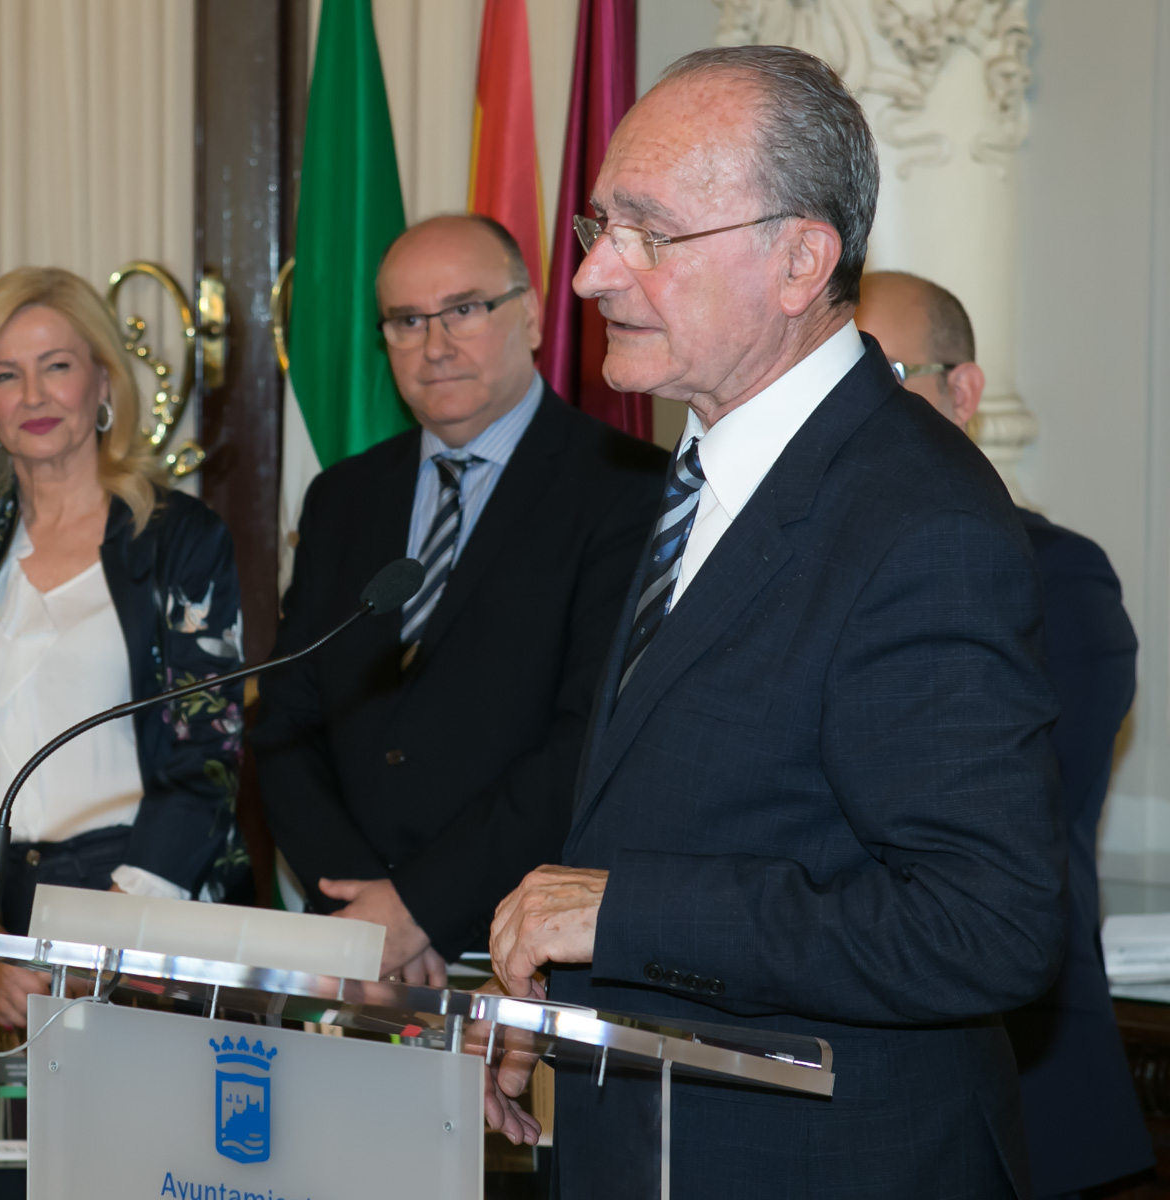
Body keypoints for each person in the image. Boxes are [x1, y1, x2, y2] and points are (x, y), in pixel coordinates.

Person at [483, 47, 1064, 1197]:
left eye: (651, 233)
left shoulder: (917, 517)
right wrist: (565, 1002)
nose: (594, 274)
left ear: (800, 260)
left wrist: (626, 913)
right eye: (602, 224)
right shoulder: (700, 469)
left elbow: (987, 922)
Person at [0, 266, 247, 1184]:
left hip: (144, 907)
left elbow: (209, 758)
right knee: (12, 1181)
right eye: (6, 375)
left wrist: (99, 947)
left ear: (104, 387)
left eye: (57, 367)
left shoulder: (180, 540)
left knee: (145, 1177)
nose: (34, 395)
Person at [254, 214, 666, 984]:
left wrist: (417, 908)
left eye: (466, 309)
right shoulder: (342, 497)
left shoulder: (630, 491)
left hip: (520, 948)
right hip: (353, 948)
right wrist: (364, 913)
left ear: (534, 315)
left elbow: (589, 742)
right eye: (407, 320)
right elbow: (285, 723)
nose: (435, 344)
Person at [856, 269, 1153, 1198]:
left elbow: (979, 834)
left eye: (887, 372)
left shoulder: (1057, 577)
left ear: (965, 390)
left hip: (1024, 1086)